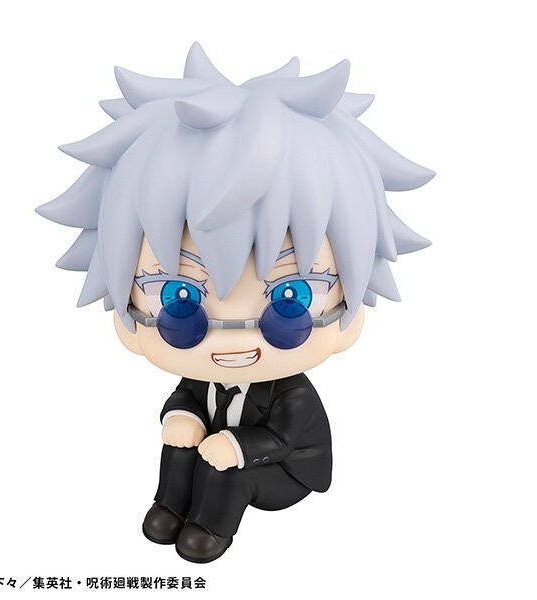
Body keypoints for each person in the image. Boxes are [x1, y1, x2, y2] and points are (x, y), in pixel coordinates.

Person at [37, 42, 434, 563]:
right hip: (219, 451)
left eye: (291, 301)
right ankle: (169, 505)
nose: (234, 336)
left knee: (227, 468)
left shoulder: (291, 395)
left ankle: (210, 528)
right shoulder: (202, 379)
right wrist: (180, 419)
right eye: (179, 301)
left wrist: (238, 447)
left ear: (349, 313)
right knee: (183, 443)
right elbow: (186, 398)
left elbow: (285, 439)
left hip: (282, 472)